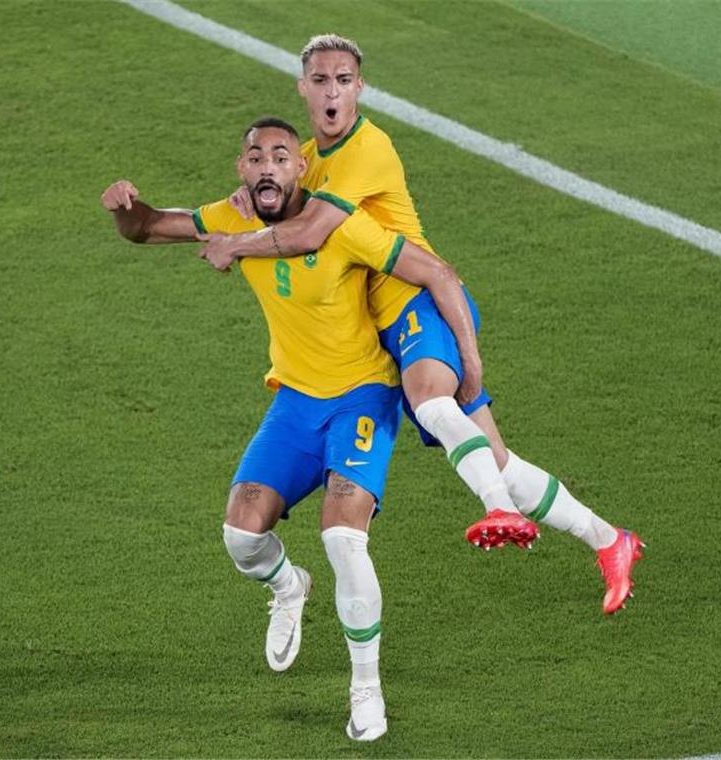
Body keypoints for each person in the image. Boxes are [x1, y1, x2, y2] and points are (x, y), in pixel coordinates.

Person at [197, 34, 644, 615]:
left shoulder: (368, 149)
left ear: (360, 87)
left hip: (417, 302)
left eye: (343, 80)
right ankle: (610, 541)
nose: (332, 92)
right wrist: (252, 200)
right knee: (498, 458)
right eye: (321, 80)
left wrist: (238, 242)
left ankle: (497, 509)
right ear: (303, 87)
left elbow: (311, 236)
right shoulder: (309, 154)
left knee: (434, 405)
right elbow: (287, 199)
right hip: (384, 329)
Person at [101, 117, 488, 740]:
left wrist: (470, 372)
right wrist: (125, 206)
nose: (266, 166)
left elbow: (437, 272)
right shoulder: (232, 217)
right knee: (240, 536)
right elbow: (146, 228)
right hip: (295, 402)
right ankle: (289, 586)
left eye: (280, 155)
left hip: (363, 395)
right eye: (255, 156)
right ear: (242, 171)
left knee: (342, 537)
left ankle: (366, 688)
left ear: (300, 167)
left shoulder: (339, 225)